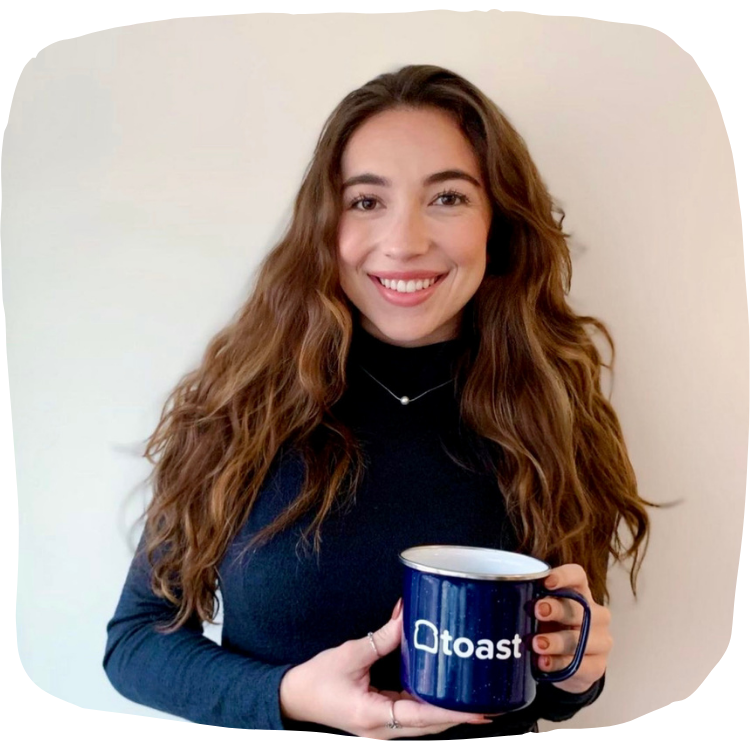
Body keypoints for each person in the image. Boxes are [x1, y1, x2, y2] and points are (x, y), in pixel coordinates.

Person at [103, 64, 654, 739]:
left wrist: (575, 671)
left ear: (498, 222)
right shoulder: (245, 401)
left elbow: (553, 685)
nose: (404, 242)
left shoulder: (553, 406)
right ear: (326, 224)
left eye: (448, 198)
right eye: (367, 201)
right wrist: (289, 694)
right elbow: (136, 643)